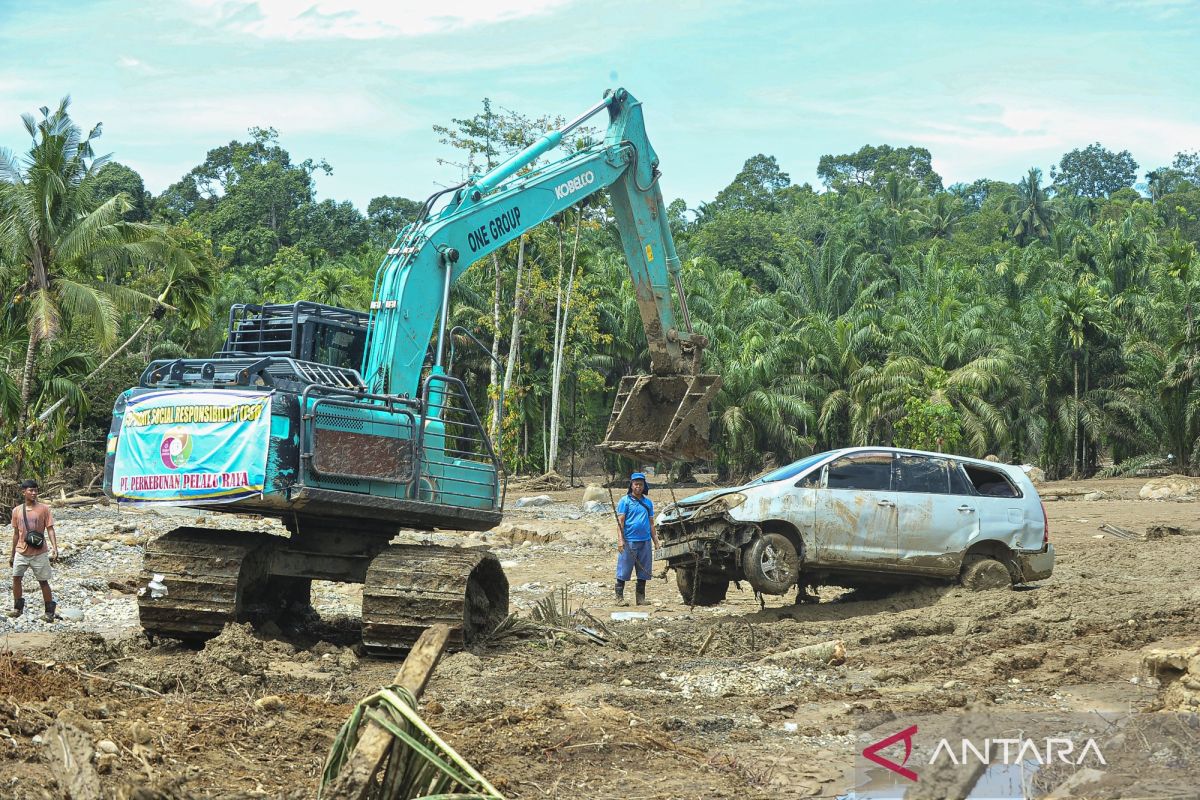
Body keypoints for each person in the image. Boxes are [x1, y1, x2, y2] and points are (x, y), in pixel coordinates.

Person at [8, 479, 58, 622]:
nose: (34, 493)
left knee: (43, 581)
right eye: (31, 490)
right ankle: (17, 608)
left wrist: (55, 547)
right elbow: (16, 534)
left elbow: (50, 529)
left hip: (39, 552)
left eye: (36, 490)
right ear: (24, 492)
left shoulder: (44, 509)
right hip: (21, 551)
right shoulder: (16, 510)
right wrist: (12, 555)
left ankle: (49, 612)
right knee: (16, 578)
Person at [615, 472, 659, 606]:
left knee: (644, 571)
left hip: (645, 541)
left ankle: (640, 598)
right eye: (636, 484)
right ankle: (619, 598)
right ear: (631, 485)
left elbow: (651, 524)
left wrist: (656, 542)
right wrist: (620, 540)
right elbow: (620, 523)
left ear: (644, 486)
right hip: (629, 541)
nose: (638, 487)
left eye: (640, 484)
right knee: (624, 569)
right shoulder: (625, 501)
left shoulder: (648, 503)